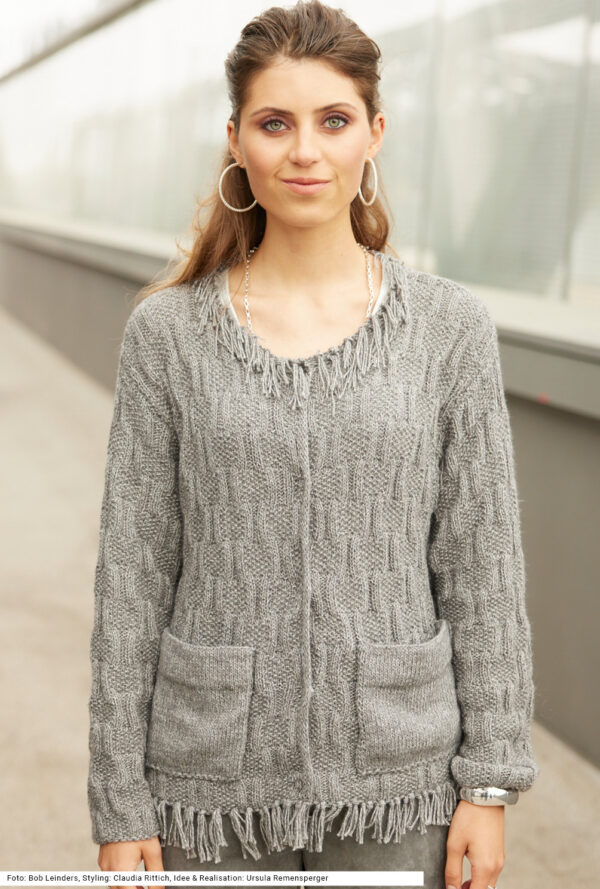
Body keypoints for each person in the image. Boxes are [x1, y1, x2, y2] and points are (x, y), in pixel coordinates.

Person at [86, 2, 540, 888]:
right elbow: (132, 574)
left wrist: (489, 782)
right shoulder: (166, 336)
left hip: (400, 784)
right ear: (235, 140)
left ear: (375, 133)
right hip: (206, 786)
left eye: (333, 121)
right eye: (274, 123)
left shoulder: (450, 329)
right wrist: (119, 799)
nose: (305, 151)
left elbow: (482, 564)